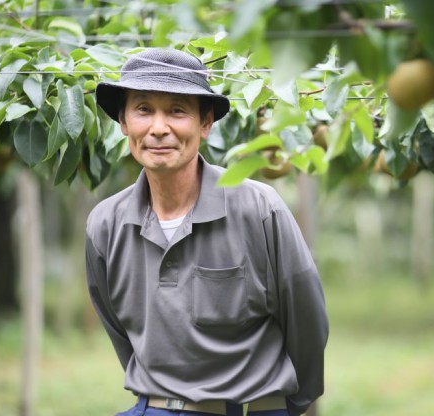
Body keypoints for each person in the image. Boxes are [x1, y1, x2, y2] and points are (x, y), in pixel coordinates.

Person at [85, 48, 329, 416]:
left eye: (178, 110)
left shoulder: (258, 209)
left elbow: (307, 320)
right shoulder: (105, 224)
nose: (159, 128)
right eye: (144, 109)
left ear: (206, 123)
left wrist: (287, 404)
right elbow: (121, 332)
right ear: (123, 121)